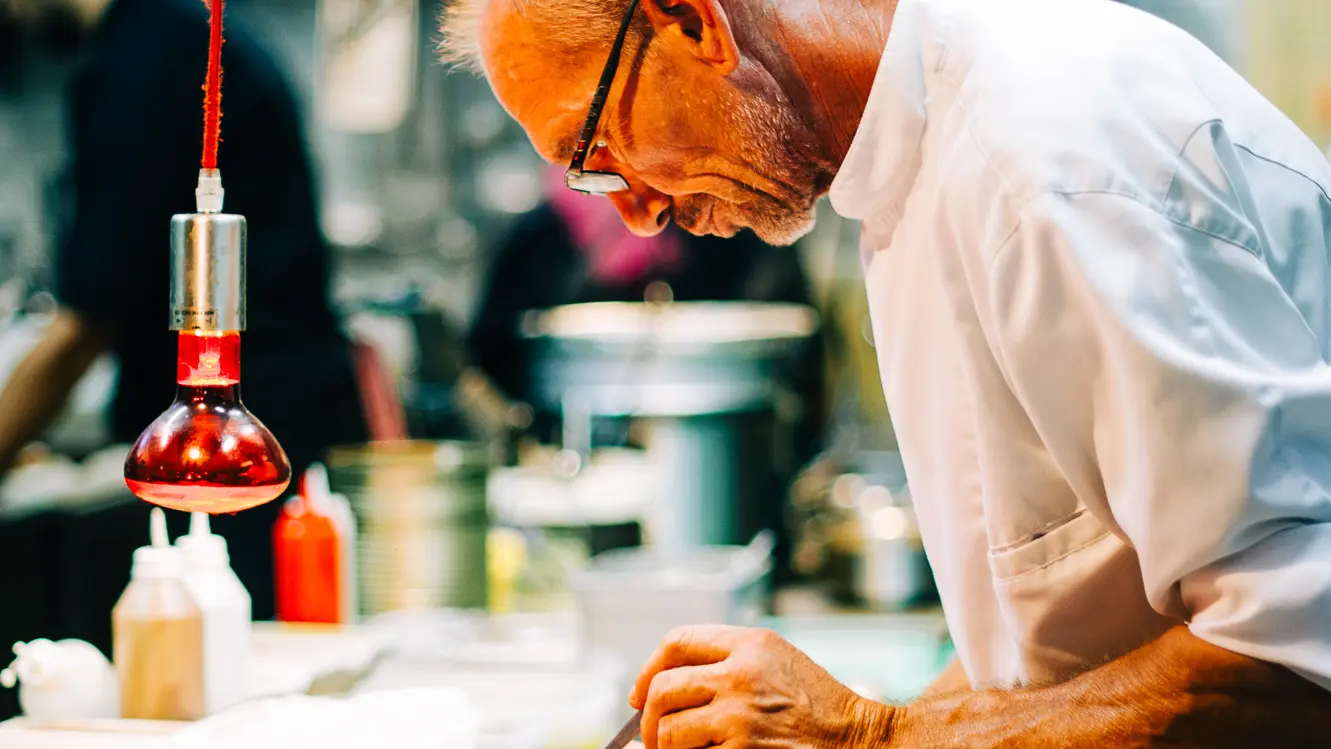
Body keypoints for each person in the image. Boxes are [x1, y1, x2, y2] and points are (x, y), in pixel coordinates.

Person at [439, 0, 1331, 744]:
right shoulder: (914, 166)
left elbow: (1297, 651)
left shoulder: (1045, 161)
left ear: (690, 23)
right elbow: (1057, 634)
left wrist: (872, 734)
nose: (633, 215)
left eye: (596, 149)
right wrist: (873, 718)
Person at [0, 0, 367, 619]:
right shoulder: (176, 43)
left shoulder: (149, 61)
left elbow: (88, 316)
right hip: (233, 438)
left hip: (238, 454)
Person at [468, 164, 824, 569]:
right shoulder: (540, 238)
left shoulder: (730, 213)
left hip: (738, 482)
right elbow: (490, 353)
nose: (639, 216)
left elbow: (802, 345)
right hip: (573, 502)